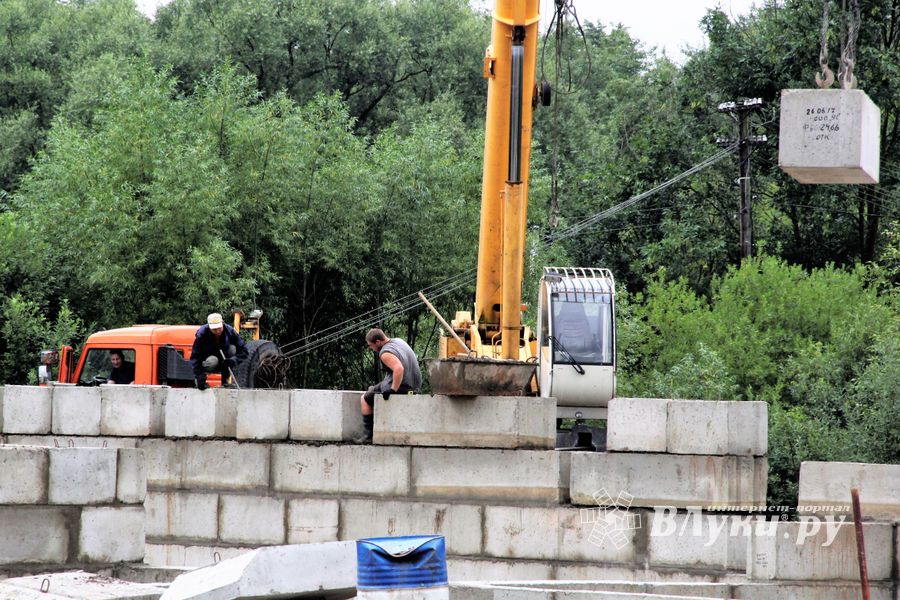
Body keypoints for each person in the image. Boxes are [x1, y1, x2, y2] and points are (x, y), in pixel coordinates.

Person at [356, 328, 422, 443]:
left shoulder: (385, 353)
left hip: (401, 387)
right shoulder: (399, 341)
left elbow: (399, 369)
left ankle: (367, 436)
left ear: (378, 342)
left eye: (371, 346)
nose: (371, 349)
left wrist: (393, 390)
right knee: (374, 389)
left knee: (365, 398)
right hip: (415, 387)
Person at [190, 312, 249, 390]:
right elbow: (195, 357)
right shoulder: (202, 334)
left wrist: (233, 360)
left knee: (232, 349)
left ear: (223, 324)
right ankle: (200, 381)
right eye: (214, 329)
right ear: (209, 327)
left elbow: (244, 351)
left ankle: (225, 381)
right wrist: (199, 376)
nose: (217, 331)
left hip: (224, 361)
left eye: (219, 328)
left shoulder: (230, 331)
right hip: (208, 360)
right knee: (213, 361)